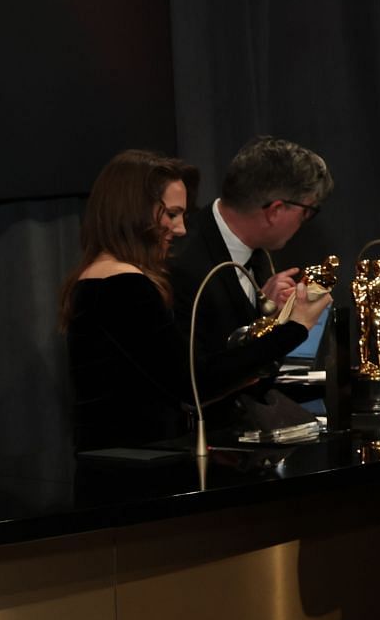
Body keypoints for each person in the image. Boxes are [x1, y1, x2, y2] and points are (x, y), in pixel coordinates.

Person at [63, 151, 329, 450]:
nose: (181, 229)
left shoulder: (103, 279)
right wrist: (295, 327)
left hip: (126, 462)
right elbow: (194, 382)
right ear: (135, 211)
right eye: (172, 214)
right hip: (132, 472)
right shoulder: (122, 285)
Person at [169, 135, 333, 377]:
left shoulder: (258, 251)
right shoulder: (183, 260)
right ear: (275, 210)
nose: (304, 222)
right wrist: (296, 327)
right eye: (306, 212)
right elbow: (200, 376)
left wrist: (265, 318)